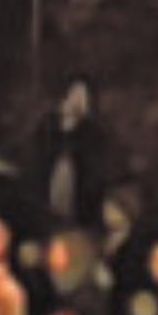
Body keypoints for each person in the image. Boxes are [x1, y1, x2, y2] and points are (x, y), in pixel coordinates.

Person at [29, 77, 111, 233]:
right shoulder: (47, 125)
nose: (77, 101)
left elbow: (94, 171)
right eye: (74, 94)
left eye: (83, 96)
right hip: (47, 192)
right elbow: (37, 159)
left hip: (78, 198)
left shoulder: (93, 132)